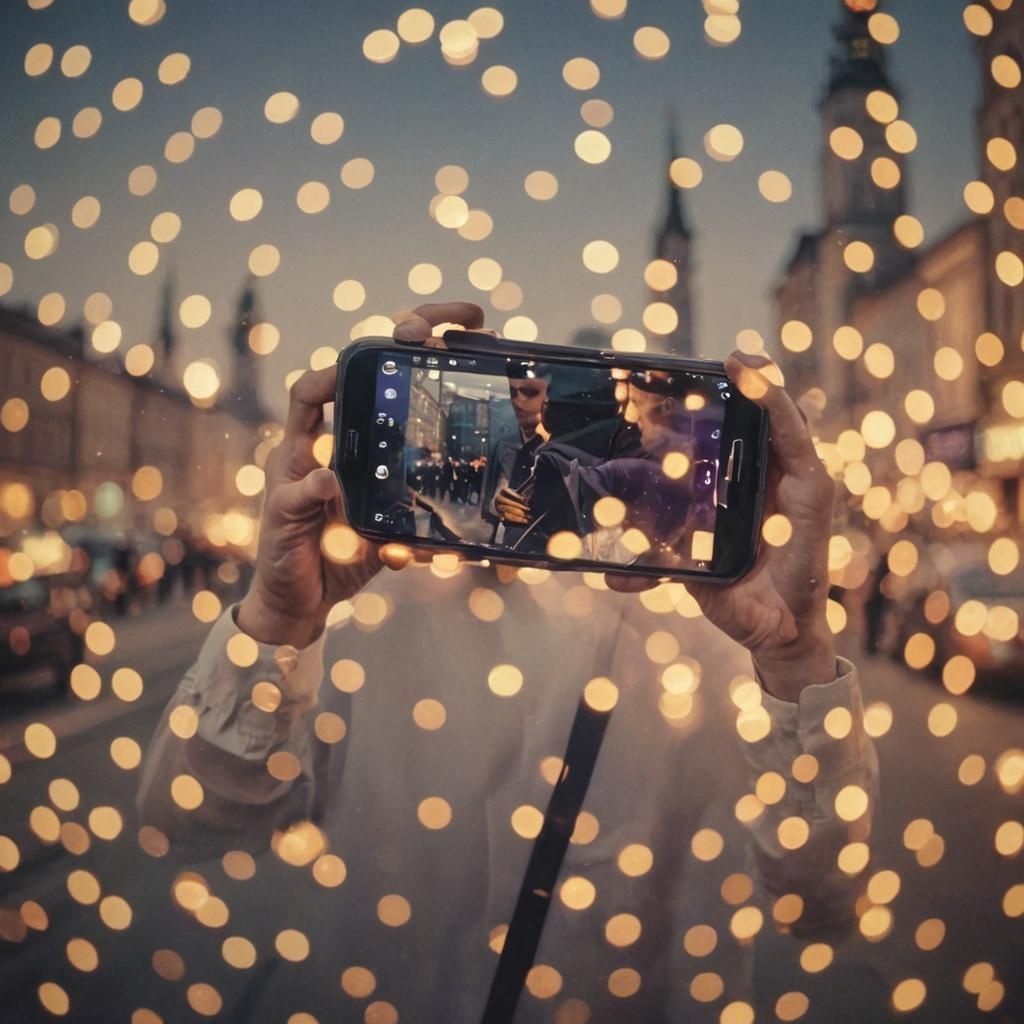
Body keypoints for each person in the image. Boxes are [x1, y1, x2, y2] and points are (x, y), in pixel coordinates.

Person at [139, 302, 880, 1023]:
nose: (521, 420)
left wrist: (797, 656)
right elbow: (185, 824)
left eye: (536, 396)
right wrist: (277, 620)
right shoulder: (364, 609)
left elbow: (819, 905)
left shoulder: (703, 630)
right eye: (507, 397)